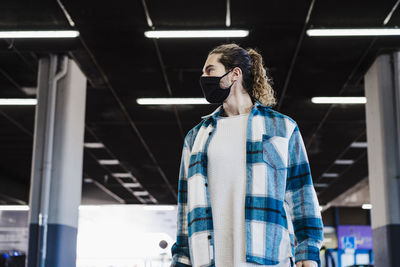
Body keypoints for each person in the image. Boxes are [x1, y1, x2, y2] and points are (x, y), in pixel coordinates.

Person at [171, 43, 323, 267]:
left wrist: (308, 252)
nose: (203, 77)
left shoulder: (282, 128)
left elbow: (301, 194)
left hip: (268, 258)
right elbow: (185, 208)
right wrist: (180, 260)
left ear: (234, 74)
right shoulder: (195, 138)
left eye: (209, 70)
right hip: (210, 261)